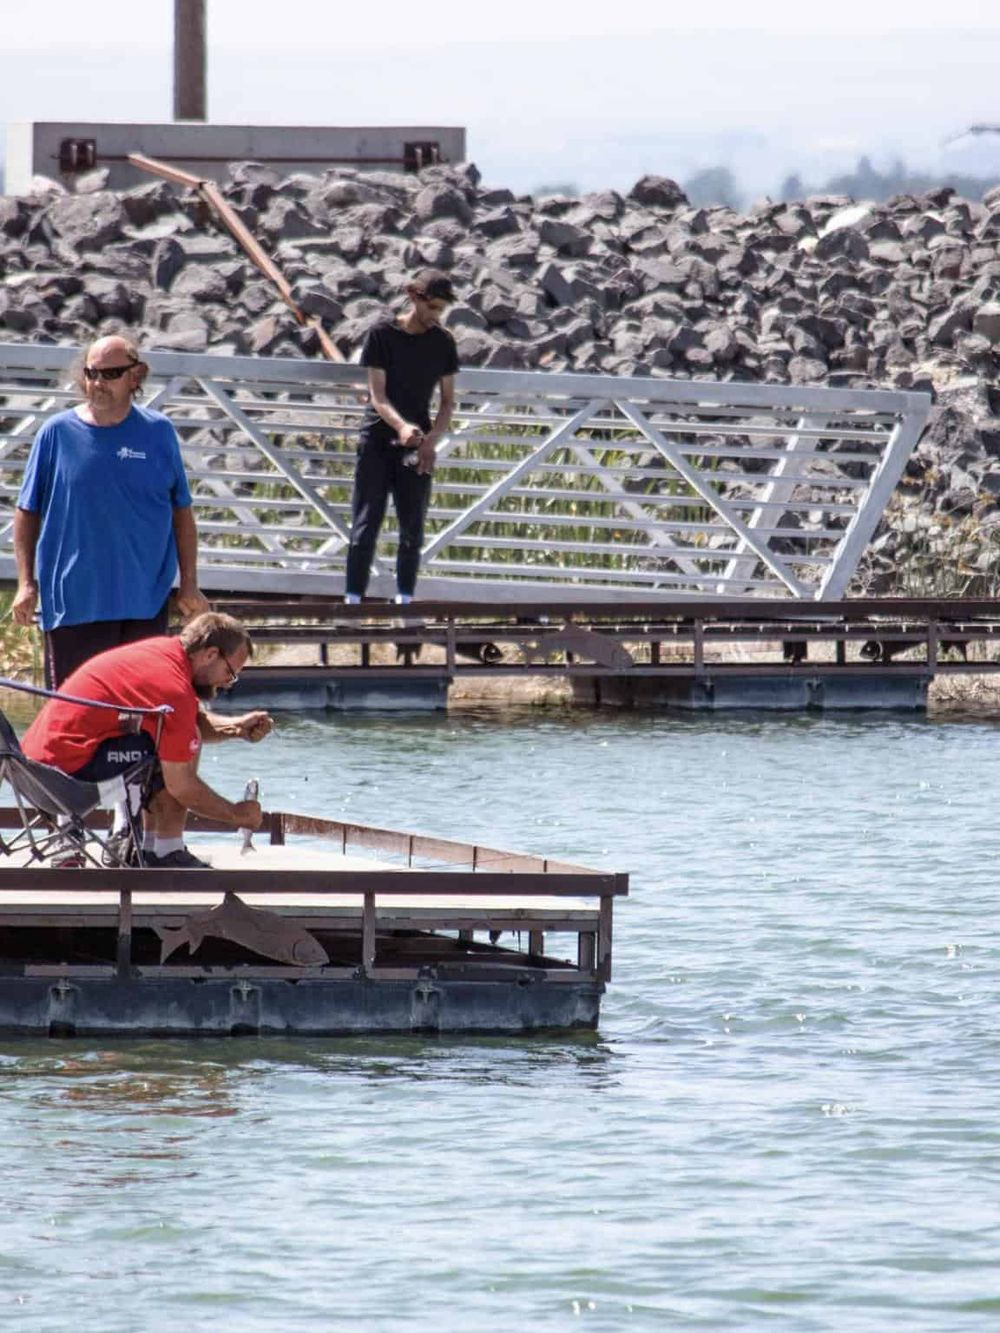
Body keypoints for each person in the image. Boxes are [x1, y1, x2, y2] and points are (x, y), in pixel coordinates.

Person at [12, 334, 210, 688]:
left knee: (138, 719)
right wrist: (26, 584)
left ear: (136, 376)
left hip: (144, 603)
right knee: (77, 715)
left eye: (110, 373)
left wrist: (190, 584)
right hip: (74, 603)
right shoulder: (55, 433)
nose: (97, 383)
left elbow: (181, 512)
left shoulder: (159, 433)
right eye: (91, 373)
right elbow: (27, 512)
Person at [20, 612, 272, 869]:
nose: (228, 684)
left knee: (175, 735)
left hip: (31, 773)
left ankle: (151, 847)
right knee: (176, 744)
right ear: (210, 655)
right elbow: (182, 786)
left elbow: (189, 720)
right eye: (230, 673)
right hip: (61, 785)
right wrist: (236, 814)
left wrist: (235, 727)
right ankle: (165, 851)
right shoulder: (174, 689)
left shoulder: (162, 654)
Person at [344, 269, 459, 605]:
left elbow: (449, 401)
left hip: (418, 442)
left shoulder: (443, 341)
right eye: (433, 307)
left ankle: (404, 599)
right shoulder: (382, 334)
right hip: (379, 438)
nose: (436, 316)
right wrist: (401, 427)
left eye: (441, 310)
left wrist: (430, 441)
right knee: (366, 522)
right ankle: (353, 599)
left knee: (413, 527)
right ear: (414, 296)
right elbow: (377, 396)